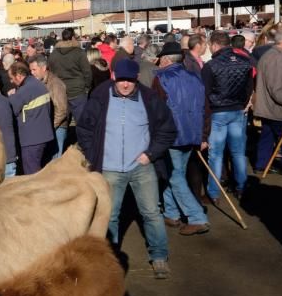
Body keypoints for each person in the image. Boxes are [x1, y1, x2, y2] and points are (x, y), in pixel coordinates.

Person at [77, 59, 177, 279]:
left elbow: (168, 130)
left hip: (141, 167)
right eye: (121, 79)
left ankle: (159, 256)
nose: (125, 85)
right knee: (110, 216)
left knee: (151, 212)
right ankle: (109, 259)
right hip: (110, 168)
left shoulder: (149, 98)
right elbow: (84, 128)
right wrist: (94, 155)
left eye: (129, 80)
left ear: (137, 79)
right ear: (113, 76)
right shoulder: (100, 97)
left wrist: (150, 154)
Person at [151, 41, 209, 235]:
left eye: (160, 59)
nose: (158, 62)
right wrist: (203, 135)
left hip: (172, 135)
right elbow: (205, 108)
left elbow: (156, 111)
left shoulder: (161, 79)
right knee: (171, 173)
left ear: (166, 59)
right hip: (191, 134)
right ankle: (171, 212)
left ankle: (197, 217)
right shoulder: (195, 77)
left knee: (175, 176)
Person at [202, 30, 255, 204]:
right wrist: (242, 102)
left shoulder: (211, 65)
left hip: (218, 112)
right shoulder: (245, 61)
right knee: (238, 152)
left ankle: (213, 192)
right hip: (237, 110)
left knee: (216, 154)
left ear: (215, 44)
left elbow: (205, 92)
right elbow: (249, 87)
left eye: (210, 45)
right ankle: (241, 187)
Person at [253, 28, 282, 176]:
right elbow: (276, 86)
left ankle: (261, 164)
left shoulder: (274, 56)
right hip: (276, 107)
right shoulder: (276, 58)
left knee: (268, 135)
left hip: (270, 107)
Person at [6, 62, 53, 175]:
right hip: (43, 135)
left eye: (12, 78)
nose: (11, 81)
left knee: (32, 172)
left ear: (19, 76)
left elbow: (12, 109)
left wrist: (11, 96)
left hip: (31, 139)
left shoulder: (24, 91)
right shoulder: (38, 84)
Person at [47, 28, 92, 130]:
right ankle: (83, 144)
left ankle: (61, 144)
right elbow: (87, 72)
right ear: (72, 37)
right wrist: (86, 88)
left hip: (60, 91)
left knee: (61, 122)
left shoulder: (54, 54)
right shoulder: (79, 52)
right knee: (82, 123)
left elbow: (50, 71)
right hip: (77, 91)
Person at [28, 55, 68, 159]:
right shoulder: (37, 82)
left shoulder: (56, 84)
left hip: (57, 127)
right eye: (30, 70)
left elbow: (62, 110)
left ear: (44, 68)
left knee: (55, 161)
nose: (32, 73)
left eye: (34, 70)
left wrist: (49, 126)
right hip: (45, 127)